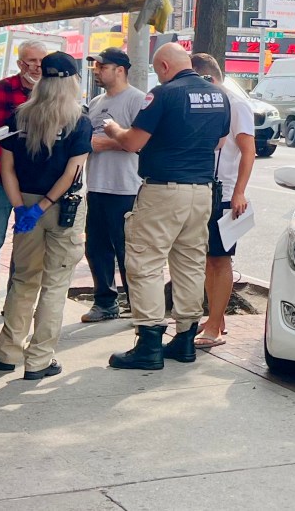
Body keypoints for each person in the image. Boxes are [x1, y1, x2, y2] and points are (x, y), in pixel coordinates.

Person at [103, 43, 230, 370]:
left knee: (144, 262)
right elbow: (218, 142)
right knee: (189, 262)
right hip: (201, 192)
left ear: (162, 65)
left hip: (163, 191)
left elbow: (132, 143)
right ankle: (185, 339)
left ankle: (148, 344)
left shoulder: (163, 94)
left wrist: (114, 129)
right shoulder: (219, 95)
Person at [0, 52, 91, 380]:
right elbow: (72, 173)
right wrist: (43, 206)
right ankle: (39, 360)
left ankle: (6, 352)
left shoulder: (21, 116)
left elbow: (7, 168)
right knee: (55, 284)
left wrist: (22, 208)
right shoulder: (80, 121)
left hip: (27, 206)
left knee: (23, 279)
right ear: (73, 80)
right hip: (62, 208)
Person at [0, 40, 47, 325]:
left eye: (41, 63)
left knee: (26, 244)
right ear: (20, 64)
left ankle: (16, 303)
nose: (36, 68)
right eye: (30, 62)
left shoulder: (52, 94)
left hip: (34, 183)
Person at [189, 53, 255, 349]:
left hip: (226, 193)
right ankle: (215, 319)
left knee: (220, 259)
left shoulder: (235, 103)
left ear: (208, 78)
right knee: (207, 259)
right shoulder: (210, 101)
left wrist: (239, 191)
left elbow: (248, 150)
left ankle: (214, 325)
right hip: (205, 189)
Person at [81, 48, 145, 323]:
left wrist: (105, 143)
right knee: (96, 247)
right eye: (96, 67)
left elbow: (142, 143)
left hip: (126, 188)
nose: (97, 71)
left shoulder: (137, 100)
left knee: (126, 249)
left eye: (102, 66)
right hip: (96, 185)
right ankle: (105, 302)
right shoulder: (96, 102)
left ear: (120, 70)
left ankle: (138, 303)